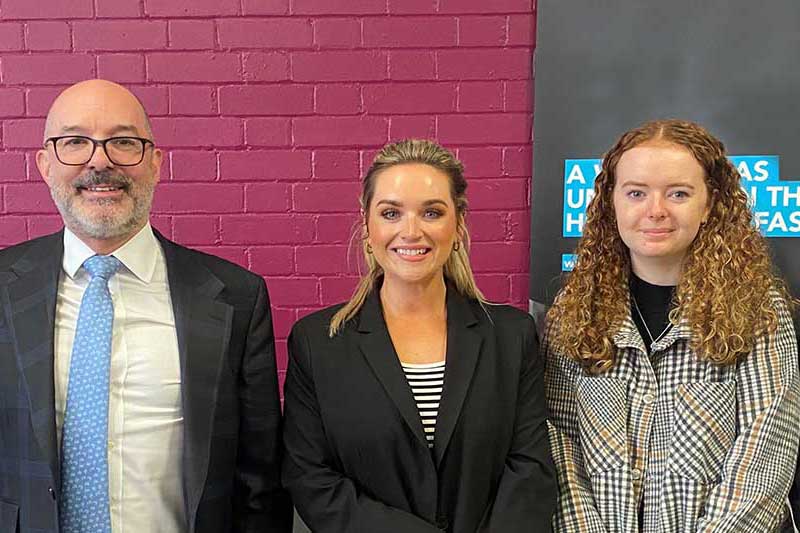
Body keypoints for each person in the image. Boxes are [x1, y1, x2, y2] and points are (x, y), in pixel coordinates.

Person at [0, 79, 292, 532]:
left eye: (123, 141)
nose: (100, 160)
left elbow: (259, 482)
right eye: (75, 142)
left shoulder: (235, 297)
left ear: (155, 163)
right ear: (44, 164)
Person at [281, 139, 556, 532]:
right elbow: (310, 478)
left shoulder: (510, 336)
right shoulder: (318, 342)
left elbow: (531, 469)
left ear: (458, 225)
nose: (411, 231)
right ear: (367, 226)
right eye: (391, 213)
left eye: (431, 212)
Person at [544, 119, 800, 532]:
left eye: (678, 193)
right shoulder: (574, 313)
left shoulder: (757, 312)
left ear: (710, 204)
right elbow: (558, 446)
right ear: (611, 202)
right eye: (636, 193)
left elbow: (765, 457)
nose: (655, 210)